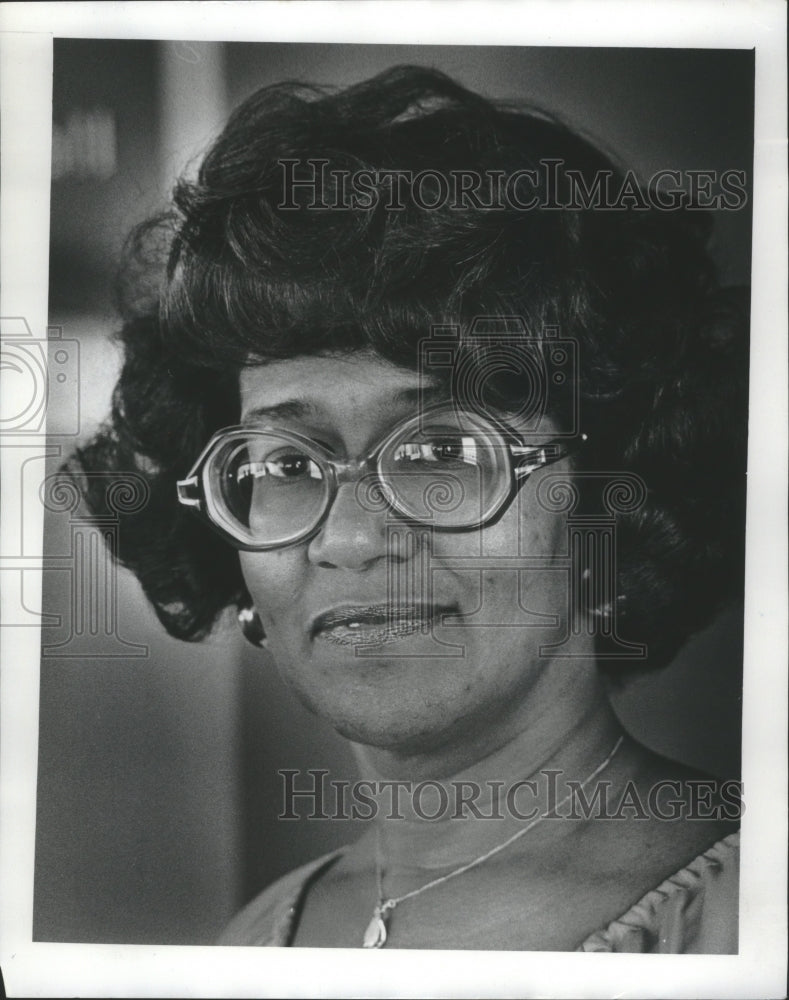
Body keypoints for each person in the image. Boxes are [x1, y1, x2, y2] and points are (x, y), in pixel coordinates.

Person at [69, 66, 747, 952]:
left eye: (440, 451)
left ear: (605, 501)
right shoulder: (255, 940)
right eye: (283, 463)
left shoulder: (748, 919)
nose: (348, 539)